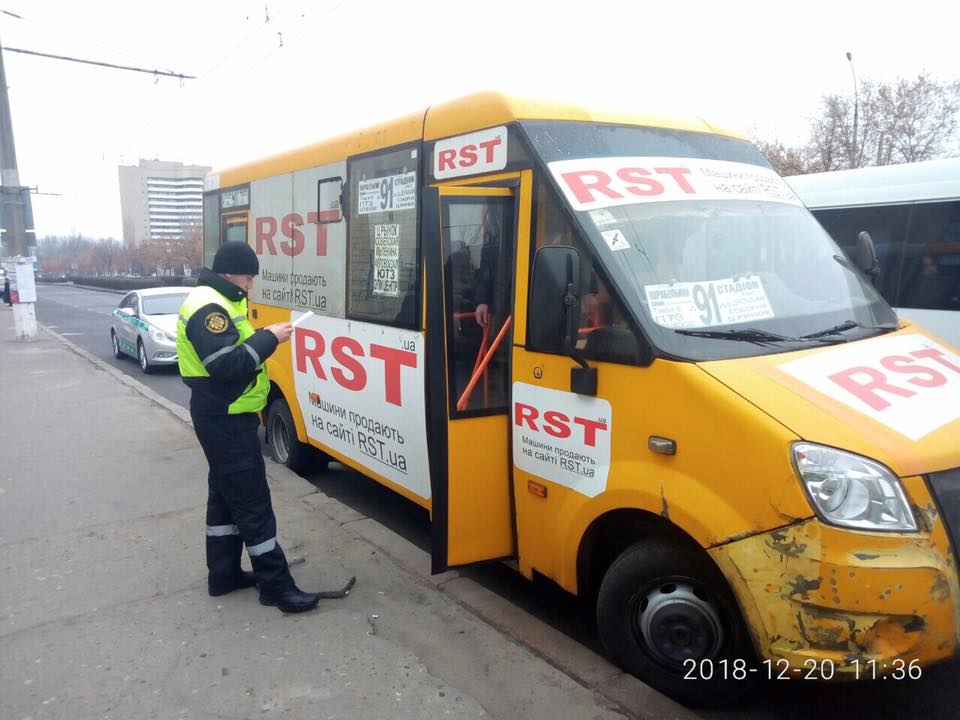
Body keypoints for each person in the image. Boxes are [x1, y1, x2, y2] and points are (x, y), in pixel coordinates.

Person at [177, 242, 322, 613]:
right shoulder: (209, 307)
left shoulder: (219, 300)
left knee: (225, 497)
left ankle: (223, 575)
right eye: (248, 276)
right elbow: (226, 364)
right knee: (253, 502)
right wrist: (270, 337)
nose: (251, 284)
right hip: (224, 419)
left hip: (224, 416)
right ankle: (277, 587)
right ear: (230, 273)